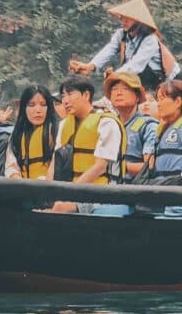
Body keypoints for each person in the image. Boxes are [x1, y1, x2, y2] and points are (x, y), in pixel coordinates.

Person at [49, 75, 126, 213]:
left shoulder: (107, 122)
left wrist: (68, 193)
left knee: (60, 208)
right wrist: (46, 194)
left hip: (100, 194)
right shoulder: (64, 124)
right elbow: (55, 162)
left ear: (86, 95)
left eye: (70, 94)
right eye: (63, 96)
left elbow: (100, 167)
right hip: (72, 192)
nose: (65, 101)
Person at [68, 0, 181, 91]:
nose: (124, 21)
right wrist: (91, 66)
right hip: (146, 81)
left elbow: (136, 65)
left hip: (170, 81)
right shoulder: (121, 34)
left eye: (128, 19)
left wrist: (115, 76)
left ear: (138, 21)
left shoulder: (150, 39)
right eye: (122, 18)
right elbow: (109, 49)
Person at [104, 72, 158, 182]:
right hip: (107, 189)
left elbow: (149, 166)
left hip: (133, 189)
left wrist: (116, 166)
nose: (118, 93)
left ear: (137, 97)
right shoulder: (107, 125)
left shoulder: (148, 126)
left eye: (125, 89)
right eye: (114, 89)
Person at [5, 86, 60, 180]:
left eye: (43, 105)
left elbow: (59, 163)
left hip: (49, 185)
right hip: (22, 186)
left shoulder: (57, 131)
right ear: (24, 108)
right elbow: (11, 166)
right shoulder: (16, 135)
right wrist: (19, 181)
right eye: (31, 105)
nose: (38, 110)